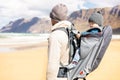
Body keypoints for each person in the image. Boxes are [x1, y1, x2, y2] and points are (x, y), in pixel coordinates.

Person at [47, 3, 75, 80]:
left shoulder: (55, 35)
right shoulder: (70, 31)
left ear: (53, 19)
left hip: (59, 76)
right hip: (70, 74)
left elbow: (52, 64)